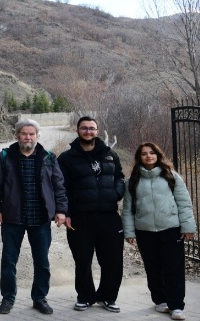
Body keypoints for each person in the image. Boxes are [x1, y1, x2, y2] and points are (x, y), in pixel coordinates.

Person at [0, 119, 68, 315]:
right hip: (12, 217)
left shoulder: (48, 157)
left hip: (40, 218)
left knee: (42, 261)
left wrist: (61, 210)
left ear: (37, 136)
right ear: (17, 135)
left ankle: (39, 298)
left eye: (32, 134)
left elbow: (59, 186)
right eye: (24, 134)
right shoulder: (5, 156)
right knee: (9, 261)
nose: (28, 137)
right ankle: (8, 298)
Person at [57, 116, 126, 313]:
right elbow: (61, 188)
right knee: (83, 259)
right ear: (77, 130)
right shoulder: (66, 158)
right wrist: (66, 212)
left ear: (97, 131)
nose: (88, 131)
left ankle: (108, 296)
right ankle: (85, 296)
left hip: (109, 216)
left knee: (112, 260)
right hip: (80, 217)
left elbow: (119, 177)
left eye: (92, 128)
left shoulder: (110, 155)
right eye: (84, 128)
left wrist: (117, 193)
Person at [122, 142, 196, 321]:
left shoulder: (171, 177)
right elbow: (127, 209)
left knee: (174, 268)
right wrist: (129, 232)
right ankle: (160, 301)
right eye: (144, 154)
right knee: (153, 268)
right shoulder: (132, 180)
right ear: (139, 158)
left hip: (171, 229)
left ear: (158, 155)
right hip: (145, 231)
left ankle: (177, 305)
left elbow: (184, 203)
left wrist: (188, 227)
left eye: (152, 153)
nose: (148, 156)